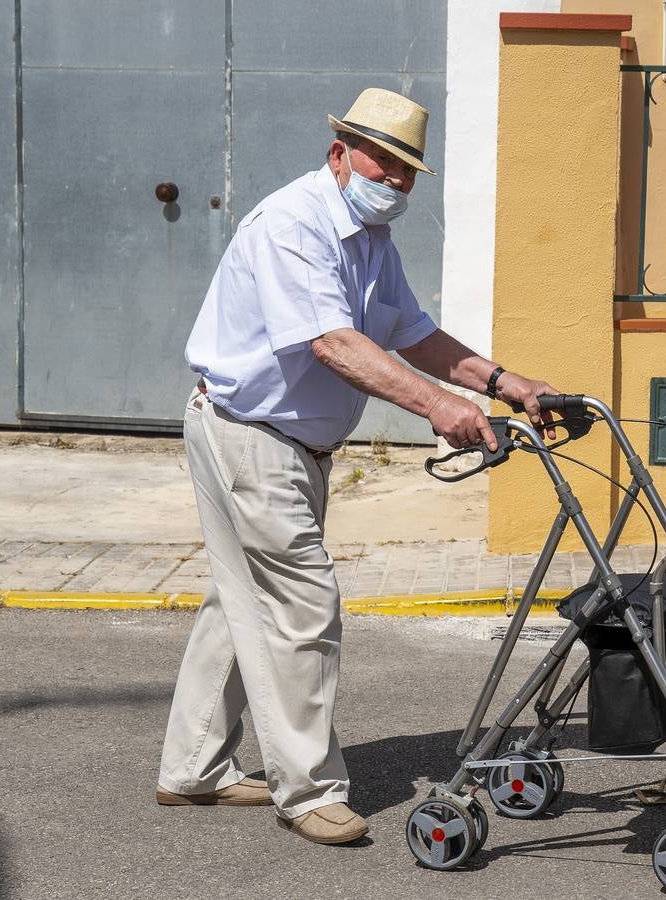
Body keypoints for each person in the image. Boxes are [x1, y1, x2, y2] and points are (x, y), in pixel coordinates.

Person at [156, 88, 558, 845]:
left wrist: (506, 383)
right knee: (302, 606)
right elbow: (333, 344)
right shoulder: (293, 226)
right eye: (385, 161)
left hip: (289, 444)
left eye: (408, 169)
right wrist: (438, 409)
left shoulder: (369, 238)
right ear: (340, 151)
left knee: (241, 602)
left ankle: (192, 770)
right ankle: (309, 792)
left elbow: (415, 333)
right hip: (250, 435)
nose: (397, 180)